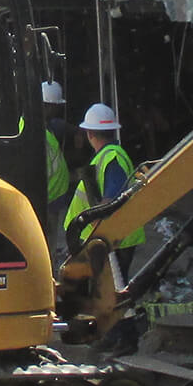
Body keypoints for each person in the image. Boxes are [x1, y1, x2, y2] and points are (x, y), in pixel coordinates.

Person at [65, 103, 145, 278]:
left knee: (107, 295)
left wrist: (94, 223)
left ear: (90, 133)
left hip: (112, 240)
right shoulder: (108, 156)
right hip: (107, 239)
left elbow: (110, 201)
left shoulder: (112, 158)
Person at [39, 81, 77, 257]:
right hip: (47, 199)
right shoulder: (37, 133)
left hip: (51, 198)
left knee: (49, 242)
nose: (58, 110)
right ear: (48, 106)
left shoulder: (45, 127)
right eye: (56, 107)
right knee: (47, 244)